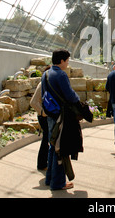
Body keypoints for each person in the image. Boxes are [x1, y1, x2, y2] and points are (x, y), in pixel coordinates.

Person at [42, 49, 81, 191]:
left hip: (51, 113)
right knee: (60, 148)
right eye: (67, 60)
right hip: (60, 115)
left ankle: (49, 178)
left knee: (53, 146)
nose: (68, 63)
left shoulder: (46, 74)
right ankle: (58, 183)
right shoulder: (61, 75)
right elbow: (70, 96)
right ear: (62, 60)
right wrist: (79, 101)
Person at [30, 72, 50, 171]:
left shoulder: (47, 83)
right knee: (46, 139)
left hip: (44, 116)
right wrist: (43, 113)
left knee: (47, 139)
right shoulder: (43, 84)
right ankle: (42, 164)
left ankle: (43, 163)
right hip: (44, 117)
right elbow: (33, 102)